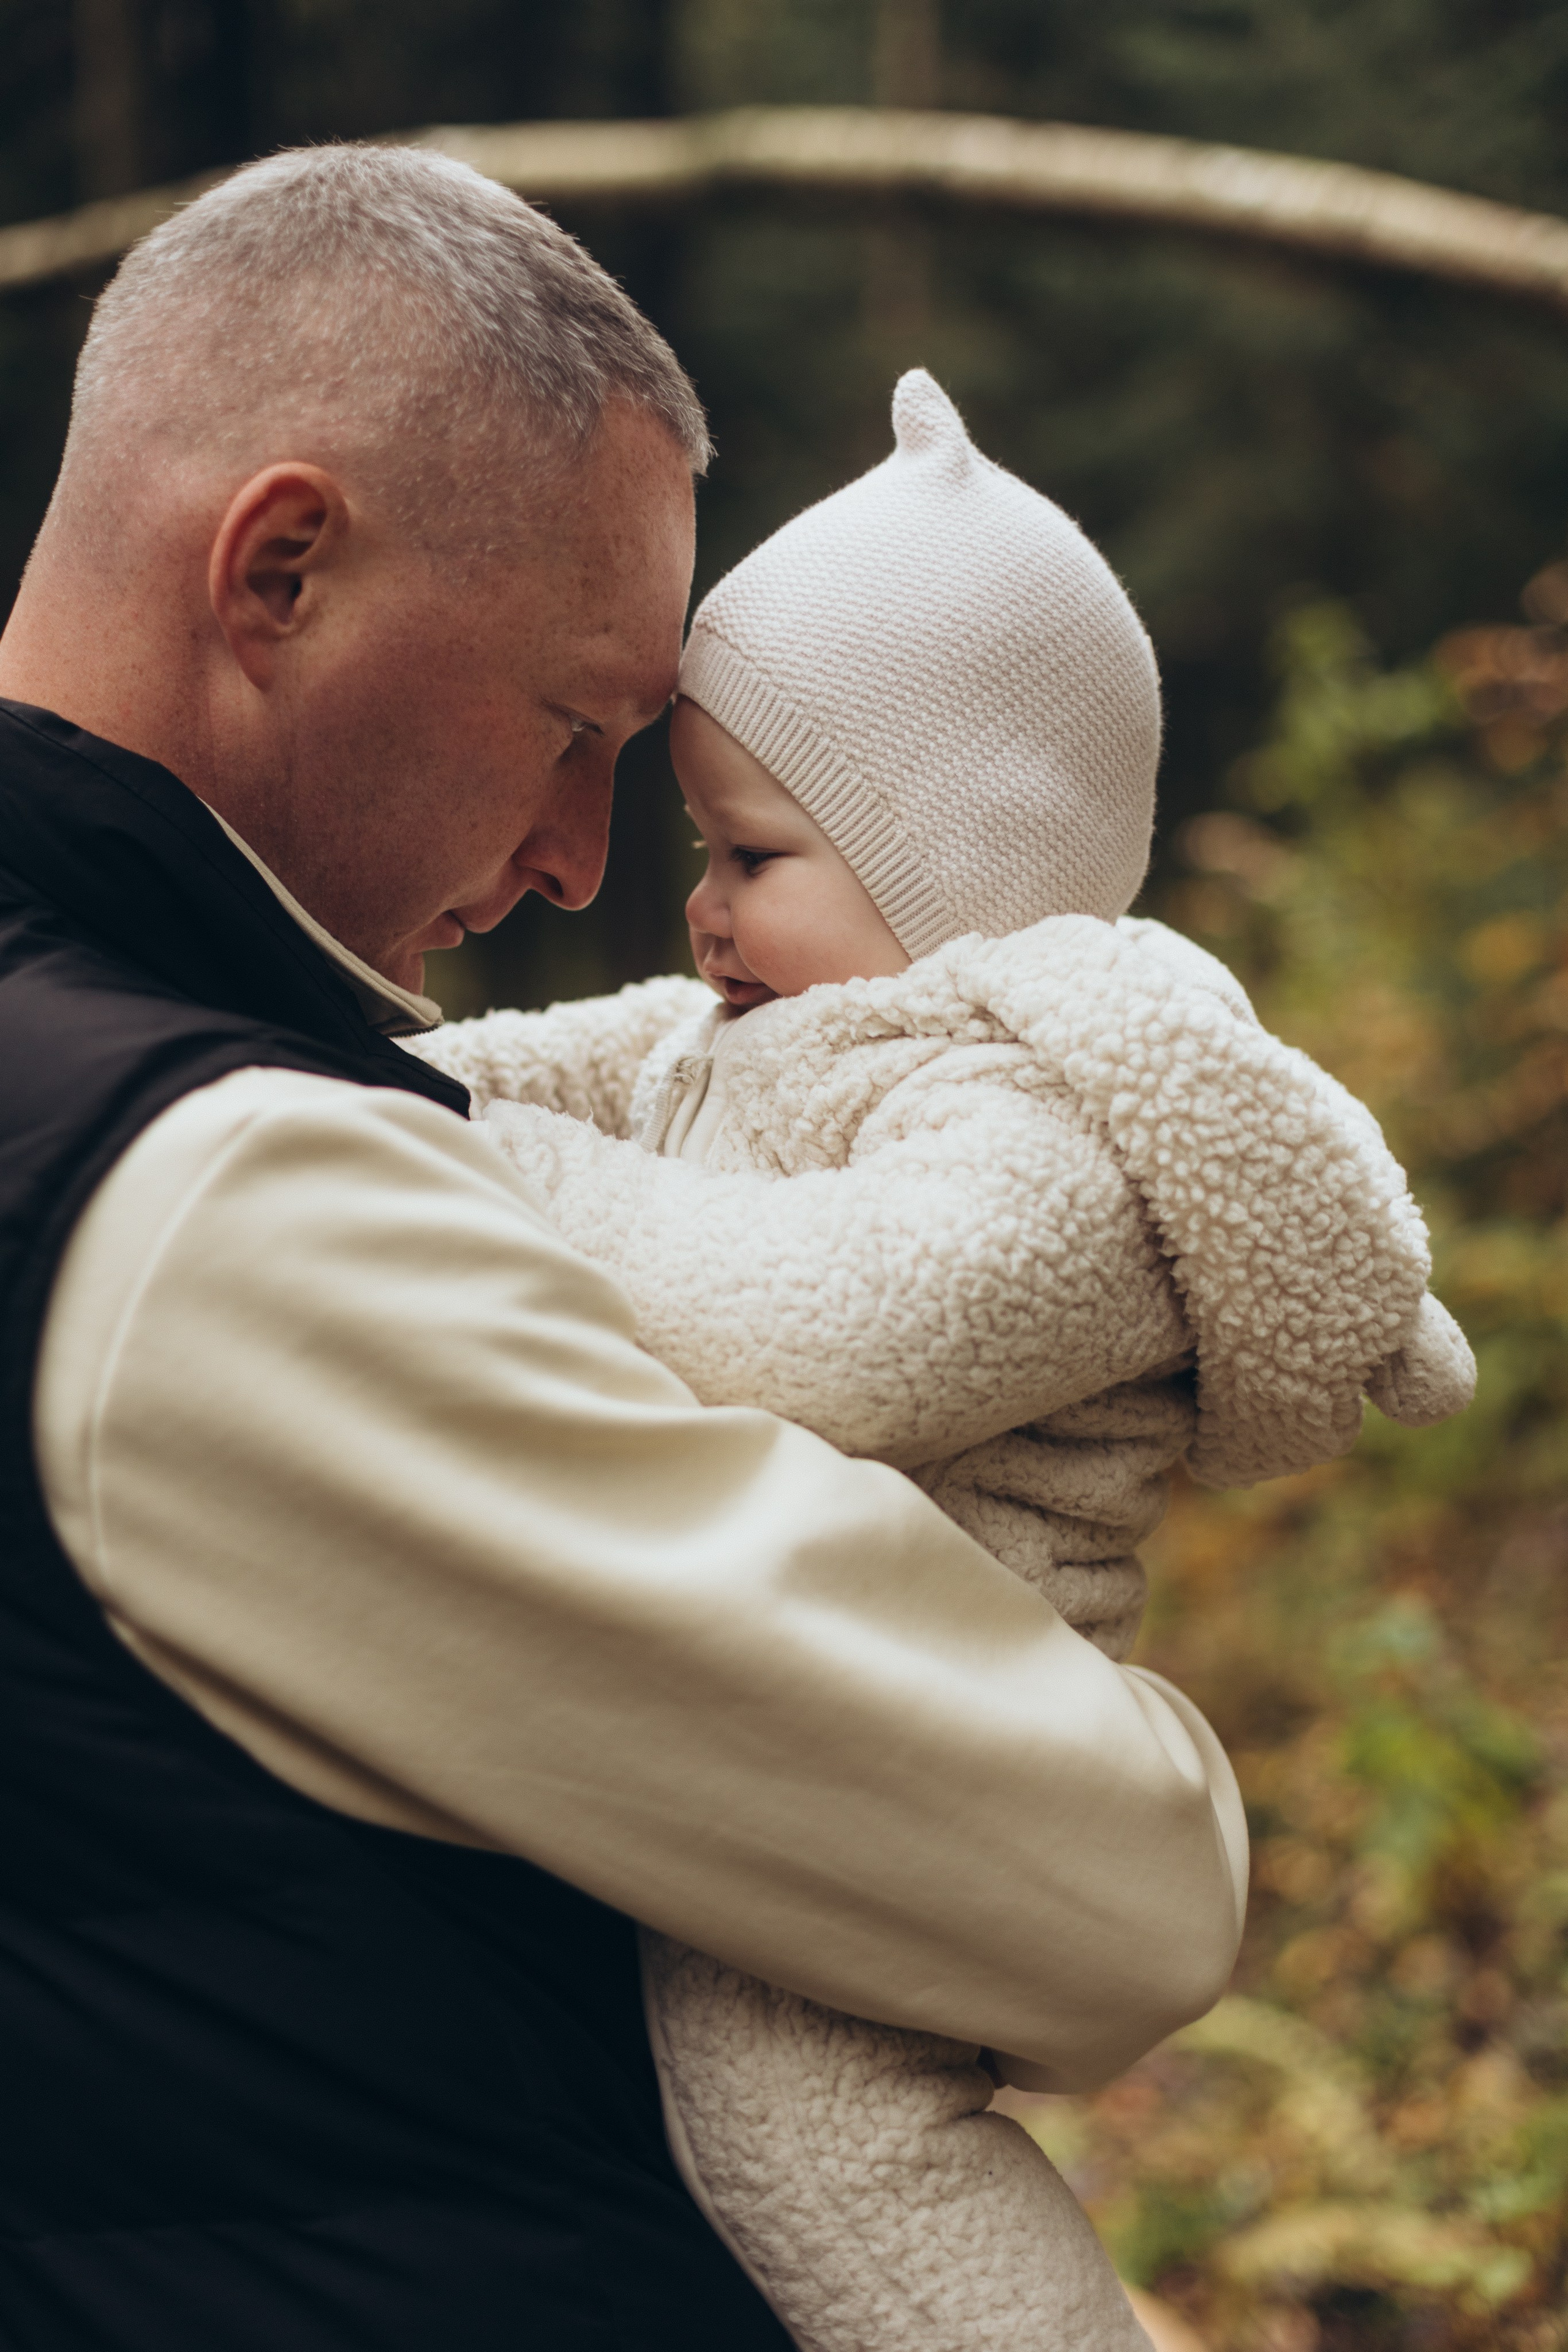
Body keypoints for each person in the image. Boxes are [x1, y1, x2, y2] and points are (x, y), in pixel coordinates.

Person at [0, 149, 1246, 2351]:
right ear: (279, 569)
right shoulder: (221, 1201)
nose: (587, 868)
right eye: (580, 728)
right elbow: (1120, 1892)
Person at [422, 372, 1475, 2351]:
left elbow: (838, 1332)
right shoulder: (767, 1023)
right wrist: (314, 1075)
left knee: (823, 2141)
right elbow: (521, 1060)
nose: (700, 906)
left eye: (748, 855)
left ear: (951, 866)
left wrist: (486, 1164)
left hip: (918, 1743)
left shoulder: (1050, 1131)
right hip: (773, 1690)